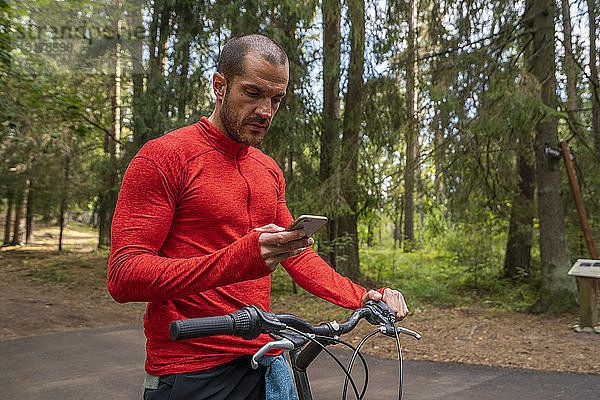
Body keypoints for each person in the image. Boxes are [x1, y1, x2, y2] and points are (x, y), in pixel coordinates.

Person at [107, 34, 408, 400]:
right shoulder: (164, 157)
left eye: (276, 99)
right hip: (190, 370)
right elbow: (124, 277)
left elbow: (298, 254)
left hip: (260, 360)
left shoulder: (267, 169)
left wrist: (363, 297)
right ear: (220, 86)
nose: (265, 110)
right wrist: (240, 259)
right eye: (252, 93)